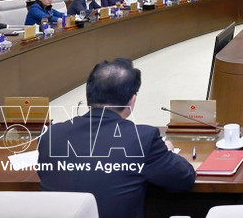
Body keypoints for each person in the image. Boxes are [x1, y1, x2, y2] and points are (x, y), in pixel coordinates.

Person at [37, 58, 196, 218]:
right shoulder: (143, 139)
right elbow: (184, 179)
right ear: (132, 100)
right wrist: (169, 152)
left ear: (87, 95)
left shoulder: (50, 135)